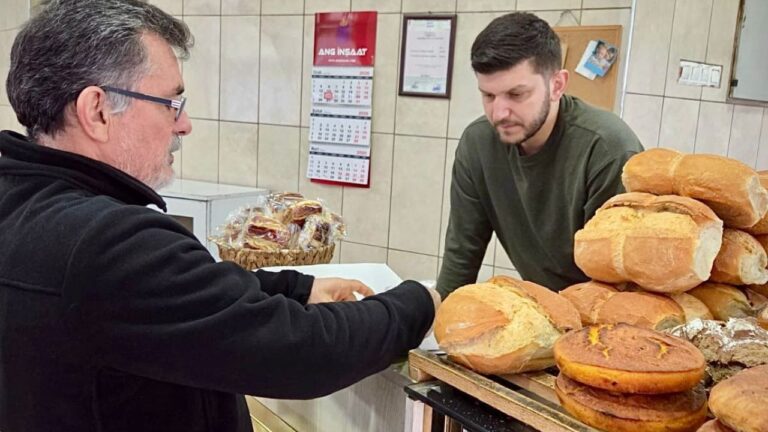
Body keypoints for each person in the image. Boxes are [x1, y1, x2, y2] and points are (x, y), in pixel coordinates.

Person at [0, 1, 440, 431]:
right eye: (171, 104)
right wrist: (416, 304)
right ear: (97, 111)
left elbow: (168, 296)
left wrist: (297, 288)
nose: (185, 124)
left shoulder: (22, 203)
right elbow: (302, 353)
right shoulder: (106, 240)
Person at [436, 12, 643, 297]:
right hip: (546, 308)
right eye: (488, 96)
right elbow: (461, 256)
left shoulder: (608, 149)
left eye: (516, 94)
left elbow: (618, 284)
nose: (499, 113)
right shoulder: (478, 144)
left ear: (557, 85)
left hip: (605, 316)